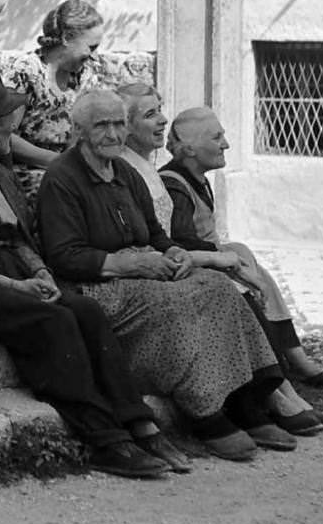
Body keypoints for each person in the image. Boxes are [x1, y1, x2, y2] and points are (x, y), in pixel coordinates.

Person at [0, 74, 185, 478]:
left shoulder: (1, 172)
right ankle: (103, 437)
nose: (16, 128)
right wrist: (15, 284)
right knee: (55, 320)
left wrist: (41, 272)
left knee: (87, 312)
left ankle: (138, 422)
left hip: (16, 269)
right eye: (11, 123)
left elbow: (21, 237)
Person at [37, 89, 297, 461]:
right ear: (79, 130)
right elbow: (64, 256)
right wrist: (132, 264)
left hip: (146, 271)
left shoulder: (124, 171)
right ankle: (205, 413)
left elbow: (155, 234)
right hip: (101, 285)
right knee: (175, 302)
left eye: (118, 124)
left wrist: (173, 252)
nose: (112, 134)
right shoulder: (62, 178)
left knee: (217, 287)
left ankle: (245, 401)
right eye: (101, 126)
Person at [118, 85, 323, 437]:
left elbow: (163, 235)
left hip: (170, 257)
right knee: (231, 285)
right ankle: (275, 394)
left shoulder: (148, 167)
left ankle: (282, 380)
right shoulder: (133, 170)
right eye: (150, 114)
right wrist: (217, 259)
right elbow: (158, 239)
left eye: (161, 110)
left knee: (237, 263)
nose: (162, 120)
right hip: (150, 268)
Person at [162, 106, 323, 395]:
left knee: (257, 271)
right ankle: (281, 369)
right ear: (191, 149)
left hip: (214, 256)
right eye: (217, 137)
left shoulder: (197, 179)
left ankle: (295, 359)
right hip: (194, 267)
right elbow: (181, 241)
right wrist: (226, 256)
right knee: (246, 274)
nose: (226, 144)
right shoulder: (174, 185)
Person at [0, 0, 116, 193]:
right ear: (67, 38)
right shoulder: (26, 72)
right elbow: (4, 134)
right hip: (28, 176)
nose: (94, 56)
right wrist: (56, 162)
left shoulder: (85, 75)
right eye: (91, 47)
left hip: (70, 172)